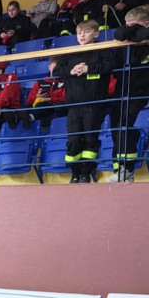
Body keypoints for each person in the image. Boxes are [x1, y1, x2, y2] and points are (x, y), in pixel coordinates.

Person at [54, 19, 114, 183]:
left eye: (86, 32)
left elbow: (111, 65)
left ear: (96, 34)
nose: (82, 35)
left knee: (90, 139)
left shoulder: (103, 49)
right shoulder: (70, 52)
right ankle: (75, 173)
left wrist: (89, 69)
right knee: (73, 140)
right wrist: (71, 71)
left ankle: (85, 173)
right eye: (79, 32)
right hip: (74, 106)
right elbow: (57, 71)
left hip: (94, 105)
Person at [111, 5, 149, 181]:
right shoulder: (126, 34)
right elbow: (118, 33)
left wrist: (134, 33)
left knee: (125, 123)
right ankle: (118, 168)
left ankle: (128, 168)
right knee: (116, 126)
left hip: (139, 88)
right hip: (121, 87)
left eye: (133, 26)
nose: (128, 29)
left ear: (146, 23)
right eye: (127, 25)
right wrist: (131, 30)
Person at [18, 57, 67, 130]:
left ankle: (30, 118)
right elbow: (29, 101)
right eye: (54, 67)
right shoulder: (40, 82)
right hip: (38, 103)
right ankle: (21, 118)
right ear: (49, 67)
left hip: (54, 106)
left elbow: (66, 97)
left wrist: (50, 98)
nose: (56, 70)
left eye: (58, 67)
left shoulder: (66, 81)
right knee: (25, 108)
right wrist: (37, 96)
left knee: (44, 105)